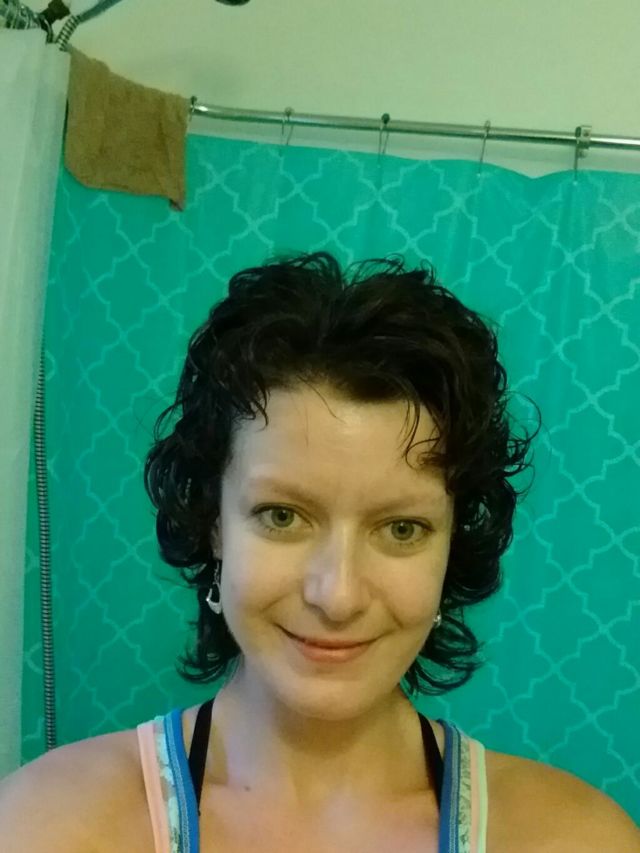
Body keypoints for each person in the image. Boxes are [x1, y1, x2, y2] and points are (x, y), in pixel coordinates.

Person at [1, 251, 638, 852]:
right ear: (213, 524)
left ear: (453, 546)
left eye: (402, 529)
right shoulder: (49, 826)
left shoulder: (576, 839)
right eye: (282, 516)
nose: (337, 596)